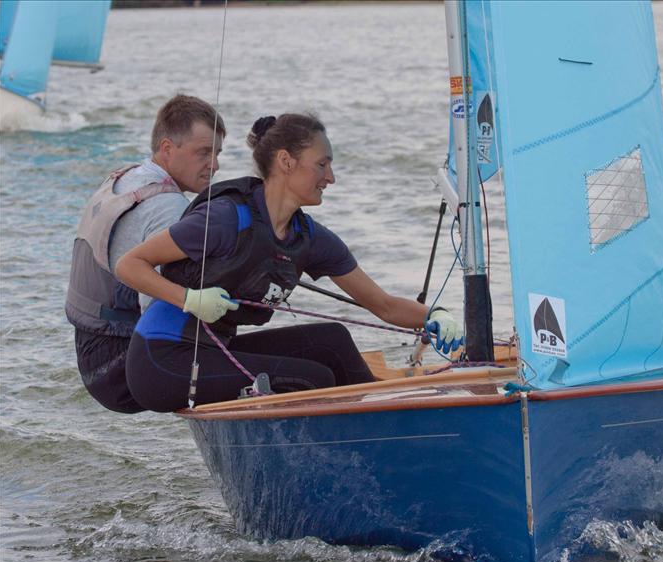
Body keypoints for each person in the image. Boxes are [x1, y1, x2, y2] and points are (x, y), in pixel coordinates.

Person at [116, 113, 464, 412]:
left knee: (333, 340)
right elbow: (130, 265)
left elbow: (384, 306)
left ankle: (380, 426)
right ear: (285, 162)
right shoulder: (226, 219)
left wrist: (436, 315)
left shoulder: (309, 237)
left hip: (214, 350)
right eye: (322, 164)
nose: (331, 178)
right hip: (161, 359)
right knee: (314, 378)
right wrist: (189, 300)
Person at [66, 95, 226, 413]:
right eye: (204, 153)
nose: (215, 165)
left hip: (91, 353)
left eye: (218, 153)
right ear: (167, 148)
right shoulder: (169, 208)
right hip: (121, 367)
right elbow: (157, 318)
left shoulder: (126, 177)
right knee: (273, 368)